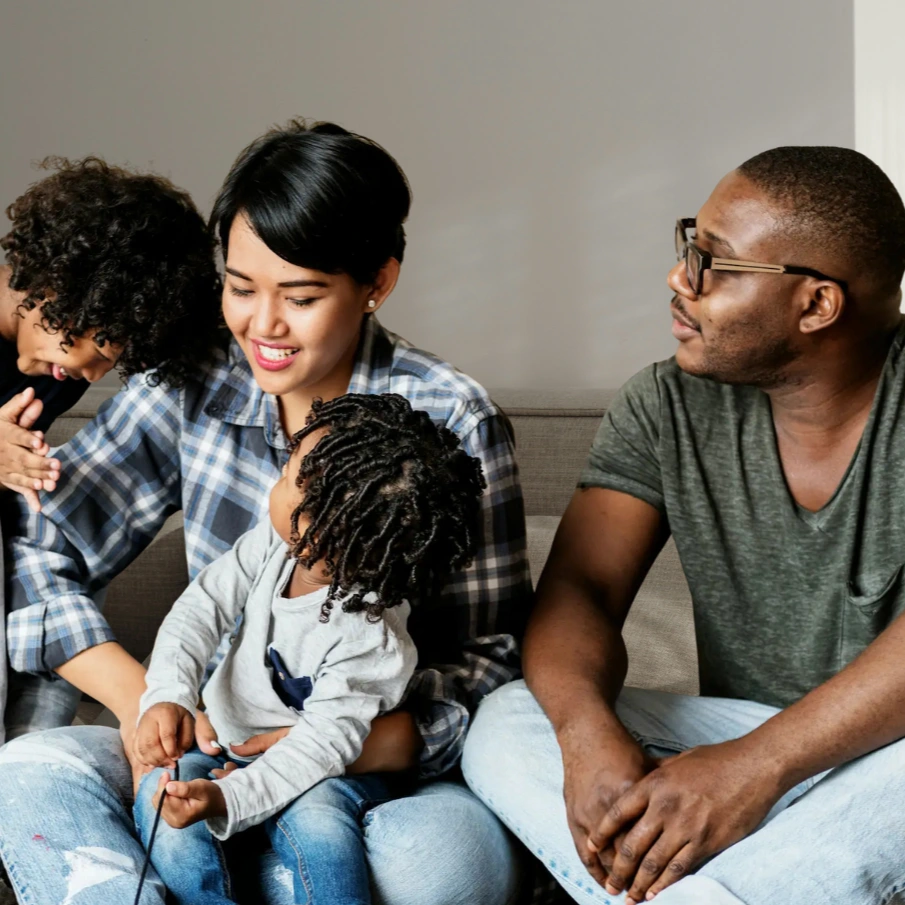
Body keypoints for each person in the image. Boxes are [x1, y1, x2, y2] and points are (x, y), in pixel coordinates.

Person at [0, 120, 529, 905]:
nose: (262, 326)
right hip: (199, 736)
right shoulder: (196, 380)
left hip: (368, 769)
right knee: (24, 783)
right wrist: (143, 697)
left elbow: (493, 656)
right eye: (241, 287)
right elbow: (38, 541)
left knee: (443, 868)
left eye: (303, 295)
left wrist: (339, 746)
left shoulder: (449, 416)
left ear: (376, 281)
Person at [462, 146, 905, 905]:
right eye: (687, 245)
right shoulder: (664, 406)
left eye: (715, 263)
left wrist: (752, 771)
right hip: (735, 738)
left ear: (816, 305)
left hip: (886, 756)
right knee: (507, 717)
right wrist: (584, 736)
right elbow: (582, 589)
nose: (679, 279)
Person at [132, 392, 485, 905]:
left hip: (324, 767)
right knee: (161, 803)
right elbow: (200, 608)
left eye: (289, 476)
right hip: (225, 747)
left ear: (318, 532)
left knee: (317, 824)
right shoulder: (273, 545)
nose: (278, 476)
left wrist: (228, 797)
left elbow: (320, 747)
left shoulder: (371, 637)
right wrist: (169, 693)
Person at [0, 156, 221, 749]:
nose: (93, 371)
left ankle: (26, 761)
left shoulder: (58, 369)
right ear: (54, 281)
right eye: (95, 341)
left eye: (114, 354)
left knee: (54, 539)